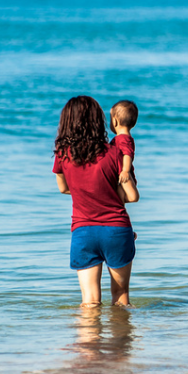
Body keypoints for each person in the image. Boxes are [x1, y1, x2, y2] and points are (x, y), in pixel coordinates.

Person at [53, 96, 139, 307]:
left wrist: (88, 192)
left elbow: (64, 188)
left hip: (83, 232)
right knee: (121, 295)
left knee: (89, 301)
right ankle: (121, 339)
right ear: (98, 121)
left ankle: (88, 340)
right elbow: (131, 196)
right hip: (116, 230)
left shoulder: (63, 153)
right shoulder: (116, 151)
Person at [110, 100, 138, 185]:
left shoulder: (123, 139)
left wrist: (125, 171)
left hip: (123, 176)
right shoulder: (125, 138)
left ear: (115, 121)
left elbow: (127, 154)